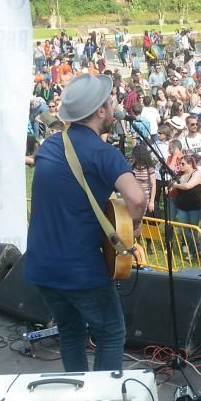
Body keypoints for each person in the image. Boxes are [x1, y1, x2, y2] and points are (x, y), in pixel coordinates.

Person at [25, 73, 145, 372]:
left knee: (71, 332)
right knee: (111, 332)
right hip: (79, 268)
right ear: (101, 112)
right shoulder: (104, 154)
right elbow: (137, 198)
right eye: (110, 101)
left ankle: (79, 397)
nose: (115, 104)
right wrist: (135, 227)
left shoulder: (51, 146)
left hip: (41, 264)